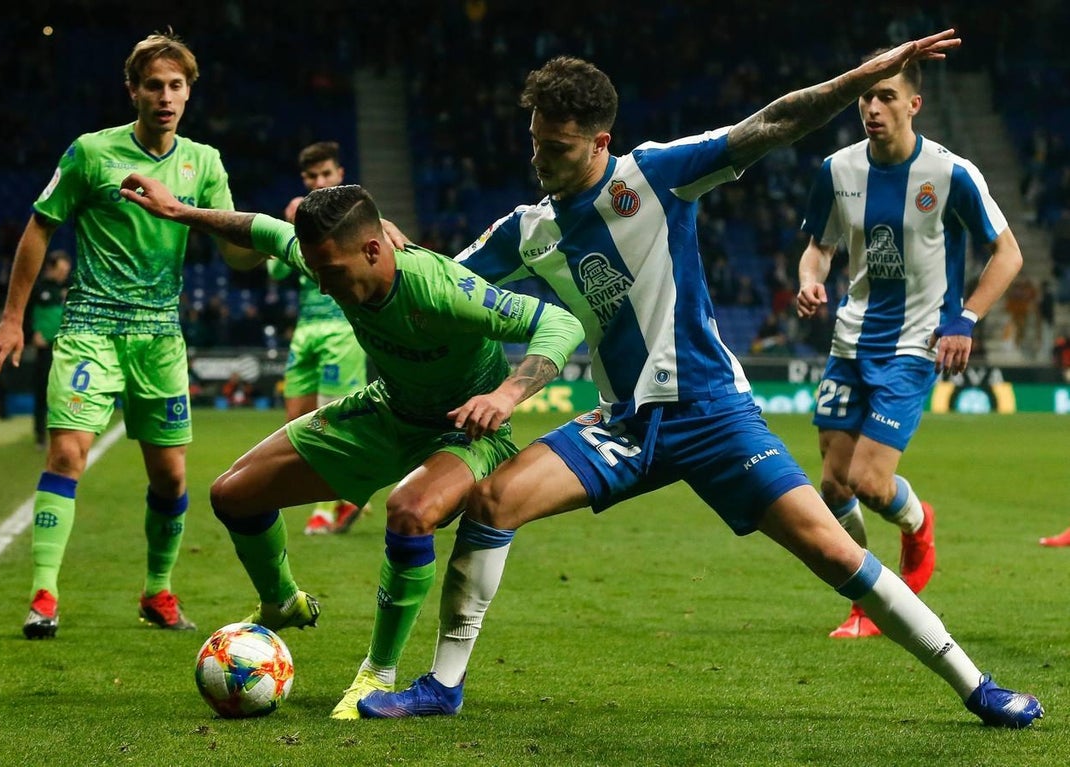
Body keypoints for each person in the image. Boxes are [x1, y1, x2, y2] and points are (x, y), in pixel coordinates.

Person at [358, 31, 1044, 729]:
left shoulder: (655, 175)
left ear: (601, 142)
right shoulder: (526, 231)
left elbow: (770, 125)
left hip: (715, 413)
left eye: (557, 147)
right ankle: (443, 685)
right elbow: (439, 279)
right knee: (493, 500)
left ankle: (976, 683)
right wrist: (379, 241)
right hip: (626, 421)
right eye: (535, 141)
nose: (539, 159)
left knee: (835, 550)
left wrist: (853, 81)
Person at [117, 177, 584, 720]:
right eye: (316, 270)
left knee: (409, 512)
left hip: (463, 431)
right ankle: (282, 602)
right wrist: (180, 212)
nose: (322, 283)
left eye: (331, 273)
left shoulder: (440, 287)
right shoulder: (332, 258)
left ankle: (377, 672)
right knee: (233, 494)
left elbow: (558, 321)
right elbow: (263, 230)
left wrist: (506, 394)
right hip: (388, 411)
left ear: (373, 250)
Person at [0, 30, 266, 640]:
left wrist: (272, 242)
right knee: (66, 454)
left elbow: (233, 253)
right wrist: (13, 318)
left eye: (175, 86)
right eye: (153, 85)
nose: (164, 96)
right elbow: (39, 229)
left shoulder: (204, 163)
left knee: (170, 478)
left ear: (188, 93)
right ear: (132, 90)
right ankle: (43, 595)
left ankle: (157, 591)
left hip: (160, 338)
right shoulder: (91, 153)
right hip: (89, 327)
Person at [793, 48, 1024, 639]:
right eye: (866, 95)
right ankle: (867, 596)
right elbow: (819, 246)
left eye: (886, 95)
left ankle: (918, 528)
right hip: (851, 338)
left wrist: (966, 319)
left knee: (871, 483)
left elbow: (1008, 253)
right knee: (833, 484)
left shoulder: (951, 174)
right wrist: (811, 281)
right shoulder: (837, 171)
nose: (872, 106)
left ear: (914, 104)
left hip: (917, 342)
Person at [270, 140, 370, 535]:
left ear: (340, 175)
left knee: (333, 423)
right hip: (305, 330)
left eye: (326, 174)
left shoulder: (357, 213)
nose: (320, 182)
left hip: (341, 326)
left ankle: (330, 507)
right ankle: (346, 494)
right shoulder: (299, 218)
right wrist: (290, 228)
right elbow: (276, 273)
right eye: (312, 176)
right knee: (296, 424)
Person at [29, 250, 71, 449]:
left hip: (65, 349)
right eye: (61, 269)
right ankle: (40, 434)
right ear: (50, 267)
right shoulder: (38, 288)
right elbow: (27, 313)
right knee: (42, 391)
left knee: (69, 390)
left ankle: (68, 430)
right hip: (45, 348)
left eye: (66, 270)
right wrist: (32, 333)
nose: (64, 273)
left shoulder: (67, 290)